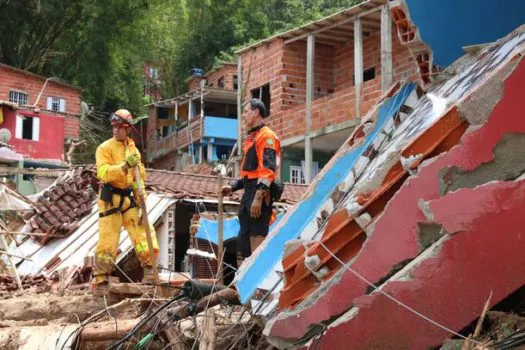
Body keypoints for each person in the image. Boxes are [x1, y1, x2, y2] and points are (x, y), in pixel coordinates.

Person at [92, 109, 159, 295]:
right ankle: (101, 279)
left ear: (128, 129)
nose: (116, 131)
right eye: (114, 127)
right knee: (108, 239)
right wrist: (124, 166)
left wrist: (141, 203)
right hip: (110, 199)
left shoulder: (133, 149)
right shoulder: (104, 148)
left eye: (120, 128)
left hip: (129, 198)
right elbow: (103, 172)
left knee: (144, 234)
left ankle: (150, 273)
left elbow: (140, 178)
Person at [220, 99, 282, 267]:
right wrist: (232, 187)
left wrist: (258, 198)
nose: (244, 116)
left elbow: (267, 170)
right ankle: (243, 282)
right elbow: (250, 174)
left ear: (256, 112)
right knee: (244, 240)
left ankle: (258, 283)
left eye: (246, 111)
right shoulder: (252, 138)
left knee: (257, 239)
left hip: (260, 194)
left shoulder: (267, 136)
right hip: (249, 192)